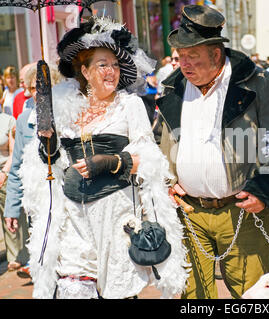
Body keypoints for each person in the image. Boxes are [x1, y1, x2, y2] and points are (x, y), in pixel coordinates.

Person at [17, 16, 188, 299]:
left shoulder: (129, 106)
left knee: (117, 292)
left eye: (115, 65)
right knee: (74, 289)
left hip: (116, 217)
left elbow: (151, 161)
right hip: (74, 220)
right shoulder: (61, 105)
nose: (111, 71)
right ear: (84, 70)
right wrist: (47, 144)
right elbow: (50, 165)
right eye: (102, 65)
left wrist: (111, 162)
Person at [156, 4, 269, 299]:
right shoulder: (174, 88)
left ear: (216, 54)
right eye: (180, 57)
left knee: (251, 295)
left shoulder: (256, 83)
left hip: (240, 209)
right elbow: (160, 143)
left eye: (192, 56)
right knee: (193, 297)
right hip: (188, 213)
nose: (184, 64)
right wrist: (165, 181)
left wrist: (263, 189)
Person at [3, 63, 62, 279]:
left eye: (45, 86)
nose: (40, 92)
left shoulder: (66, 117)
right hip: (36, 205)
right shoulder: (24, 120)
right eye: (35, 87)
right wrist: (11, 208)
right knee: (43, 265)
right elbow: (16, 165)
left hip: (65, 201)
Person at [0, 97, 17, 271]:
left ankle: (14, 256)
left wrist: (4, 173)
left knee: (8, 212)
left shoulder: (8, 120)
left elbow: (14, 151)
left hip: (4, 168)